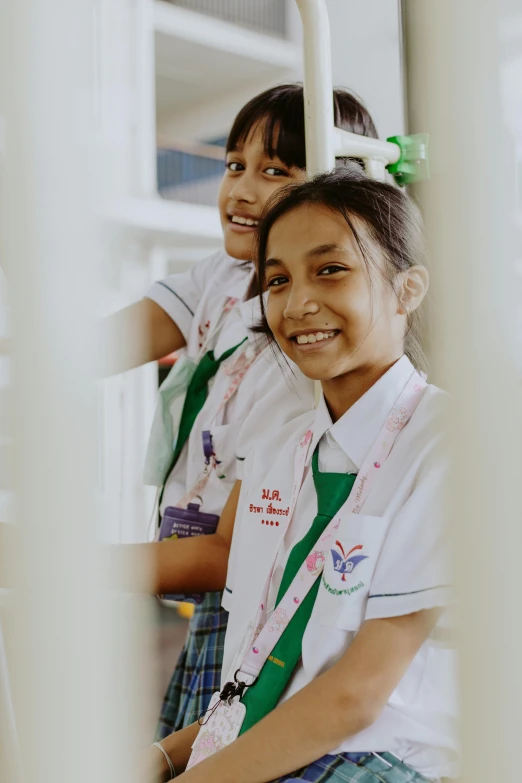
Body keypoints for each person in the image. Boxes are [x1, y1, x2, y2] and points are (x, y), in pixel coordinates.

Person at [145, 167, 457, 782]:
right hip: (278, 746)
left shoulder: (449, 443)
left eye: (330, 269)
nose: (297, 303)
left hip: (383, 762)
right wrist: (161, 757)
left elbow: (356, 696)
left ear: (408, 288)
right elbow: (261, 672)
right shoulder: (281, 444)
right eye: (278, 280)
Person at [105, 85, 379, 738]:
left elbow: (233, 554)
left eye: (276, 171)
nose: (243, 190)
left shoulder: (306, 345)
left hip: (252, 606)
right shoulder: (222, 279)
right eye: (234, 166)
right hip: (205, 586)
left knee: (217, 747)